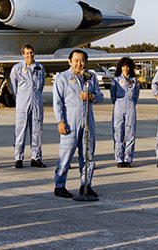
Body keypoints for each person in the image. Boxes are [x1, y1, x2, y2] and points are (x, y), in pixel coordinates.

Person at [53, 49, 103, 198]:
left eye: (82, 61)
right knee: (66, 154)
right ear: (70, 61)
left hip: (87, 121)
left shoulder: (91, 77)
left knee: (88, 154)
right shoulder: (63, 78)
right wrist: (60, 121)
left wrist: (91, 96)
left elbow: (100, 96)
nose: (79, 63)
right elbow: (57, 102)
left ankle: (85, 185)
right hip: (70, 121)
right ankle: (59, 185)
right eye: (76, 60)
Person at [9, 44, 46, 168]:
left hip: (36, 102)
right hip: (22, 103)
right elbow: (13, 85)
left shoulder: (39, 67)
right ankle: (18, 158)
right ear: (23, 54)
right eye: (27, 53)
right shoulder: (17, 68)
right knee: (20, 131)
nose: (29, 55)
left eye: (31, 53)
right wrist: (19, 98)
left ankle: (36, 158)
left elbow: (41, 85)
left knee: (37, 131)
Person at [110, 57, 140, 168]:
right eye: (123, 66)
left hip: (131, 105)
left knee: (130, 132)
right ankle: (119, 158)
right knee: (118, 132)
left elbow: (136, 95)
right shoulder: (116, 80)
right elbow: (112, 95)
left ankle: (128, 158)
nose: (125, 69)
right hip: (119, 104)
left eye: (127, 66)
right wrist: (118, 103)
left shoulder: (135, 80)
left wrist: (131, 103)